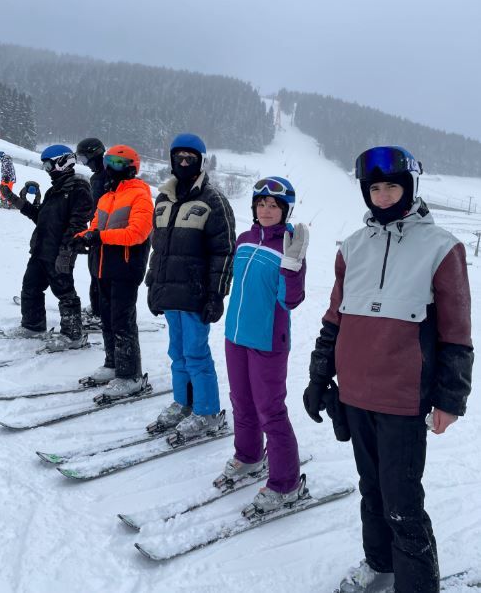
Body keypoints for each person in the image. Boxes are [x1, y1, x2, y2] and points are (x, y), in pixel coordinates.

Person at [303, 146, 474, 593]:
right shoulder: (353, 247)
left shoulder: (442, 248)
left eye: (391, 187)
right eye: (374, 188)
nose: (382, 195)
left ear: (410, 188)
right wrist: (319, 375)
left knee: (402, 502)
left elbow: (456, 332)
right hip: (355, 394)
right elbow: (335, 318)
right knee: (371, 490)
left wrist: (449, 399)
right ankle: (380, 562)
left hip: (403, 398)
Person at [217, 176, 308, 513]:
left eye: (274, 205)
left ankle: (286, 484)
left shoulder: (288, 246)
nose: (266, 210)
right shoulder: (244, 240)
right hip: (235, 336)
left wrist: (292, 268)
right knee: (241, 401)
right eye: (261, 204)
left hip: (268, 340)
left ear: (285, 210)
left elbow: (291, 301)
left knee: (270, 410)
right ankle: (249, 456)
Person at [146, 133, 235, 438]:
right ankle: (184, 403)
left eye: (190, 158)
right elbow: (158, 247)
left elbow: (224, 252)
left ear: (200, 162)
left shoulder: (213, 200)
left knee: (196, 354)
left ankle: (208, 412)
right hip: (170, 292)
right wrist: (152, 284)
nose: (184, 163)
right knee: (177, 353)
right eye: (179, 158)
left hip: (196, 294)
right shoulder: (163, 199)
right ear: (172, 160)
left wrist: (216, 294)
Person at [73, 144, 153, 397]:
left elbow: (137, 233)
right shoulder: (107, 197)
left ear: (132, 167)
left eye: (118, 164)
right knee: (106, 318)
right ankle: (113, 364)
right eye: (109, 163)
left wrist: (100, 237)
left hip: (126, 268)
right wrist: (82, 237)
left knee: (122, 321)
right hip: (102, 267)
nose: (111, 168)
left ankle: (131, 375)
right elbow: (95, 227)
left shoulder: (140, 195)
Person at [1, 145, 92, 351]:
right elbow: (40, 217)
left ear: (63, 162)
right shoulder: (55, 189)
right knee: (31, 287)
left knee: (64, 292)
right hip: (41, 249)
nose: (46, 170)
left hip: (59, 252)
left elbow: (78, 225)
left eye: (48, 165)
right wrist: (16, 200)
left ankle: (73, 336)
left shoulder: (78, 189)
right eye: (44, 166)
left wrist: (66, 252)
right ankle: (33, 326)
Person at [76, 137, 107, 326]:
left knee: (98, 273)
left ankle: (99, 312)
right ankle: (97, 307)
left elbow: (100, 206)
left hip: (103, 232)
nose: (84, 164)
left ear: (94, 154)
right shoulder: (99, 175)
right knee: (94, 271)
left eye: (84, 159)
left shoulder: (105, 176)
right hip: (96, 228)